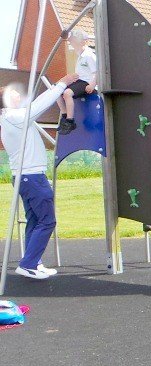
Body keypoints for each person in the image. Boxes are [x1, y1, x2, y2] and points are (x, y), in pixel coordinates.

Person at [1, 73, 79, 279]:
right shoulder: (15, 118)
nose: (18, 94)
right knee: (47, 221)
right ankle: (28, 264)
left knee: (35, 220)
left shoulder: (11, 119)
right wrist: (62, 83)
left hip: (25, 177)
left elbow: (34, 105)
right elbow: (39, 105)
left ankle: (33, 262)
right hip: (32, 177)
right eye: (14, 93)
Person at [56, 29, 97, 135]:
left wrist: (93, 84)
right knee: (57, 91)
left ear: (83, 42)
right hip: (80, 81)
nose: (72, 44)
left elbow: (97, 72)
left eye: (74, 42)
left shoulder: (89, 55)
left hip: (86, 83)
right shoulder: (80, 55)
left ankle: (70, 121)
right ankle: (65, 116)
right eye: (72, 42)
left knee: (67, 93)